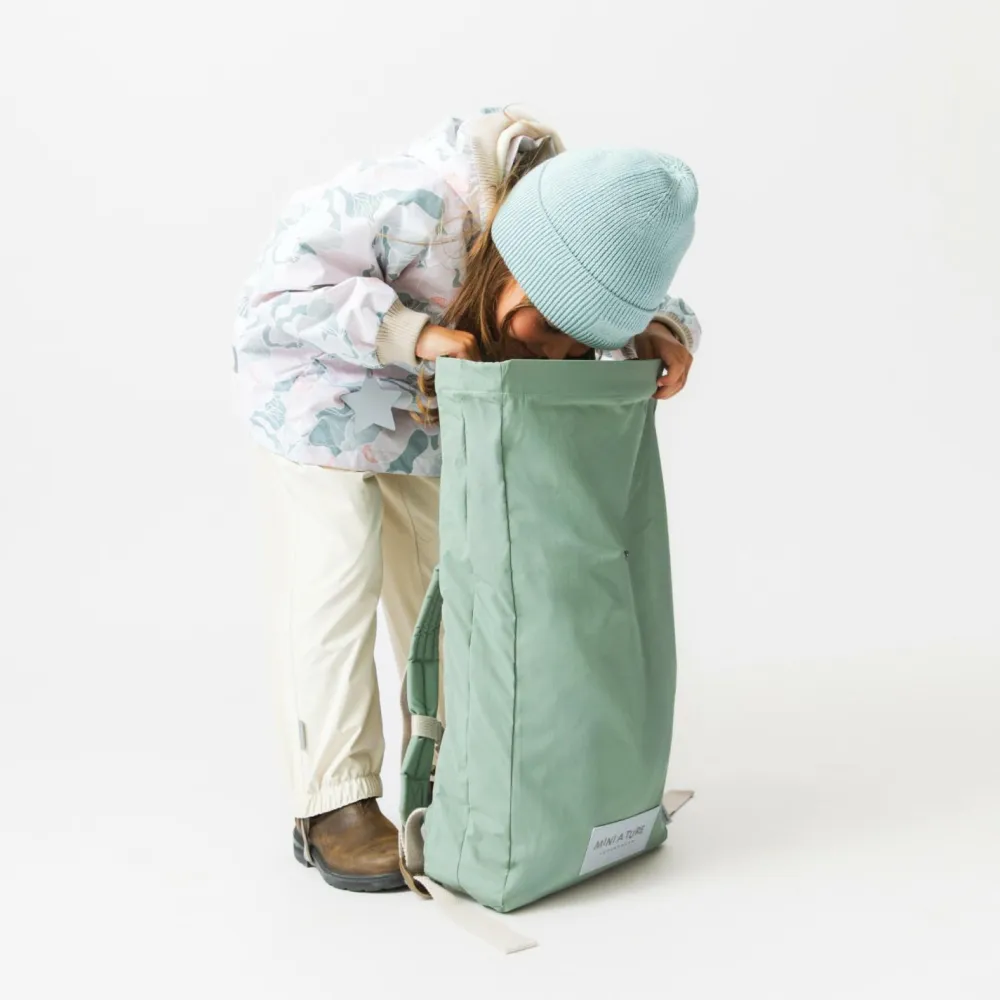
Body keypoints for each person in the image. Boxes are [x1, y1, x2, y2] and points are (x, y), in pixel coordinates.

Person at [233, 105, 701, 892]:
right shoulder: (410, 201)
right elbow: (277, 293)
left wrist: (660, 329)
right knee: (336, 584)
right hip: (315, 404)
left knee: (445, 593)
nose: (553, 351)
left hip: (425, 426)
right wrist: (408, 334)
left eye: (575, 344)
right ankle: (334, 803)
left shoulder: (581, 223)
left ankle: (463, 771)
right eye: (546, 326)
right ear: (515, 262)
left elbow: (622, 295)